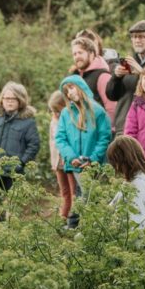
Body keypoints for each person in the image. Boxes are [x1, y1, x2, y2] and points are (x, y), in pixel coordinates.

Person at [55, 75, 112, 229]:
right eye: (66, 92)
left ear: (81, 87)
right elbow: (60, 138)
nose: (69, 93)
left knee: (89, 193)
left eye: (71, 88)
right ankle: (79, 225)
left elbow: (104, 138)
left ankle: (83, 225)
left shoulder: (98, 112)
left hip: (92, 162)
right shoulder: (66, 114)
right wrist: (70, 157)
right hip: (74, 163)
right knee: (84, 193)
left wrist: (92, 159)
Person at [0, 82, 40, 221]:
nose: (9, 102)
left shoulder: (28, 122)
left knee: (12, 203)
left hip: (14, 170)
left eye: (13, 99)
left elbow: (34, 145)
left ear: (21, 100)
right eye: (6, 98)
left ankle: (10, 231)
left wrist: (22, 162)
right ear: (2, 100)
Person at [107, 135, 145, 229]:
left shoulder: (138, 186)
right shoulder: (140, 180)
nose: (117, 169)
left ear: (125, 160)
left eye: (116, 163)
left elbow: (137, 226)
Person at [70, 36, 117, 126]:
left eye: (80, 53)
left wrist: (105, 132)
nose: (77, 57)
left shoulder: (102, 76)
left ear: (91, 54)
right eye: (74, 54)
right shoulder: (75, 77)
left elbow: (111, 108)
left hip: (100, 133)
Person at [48, 90, 75, 221]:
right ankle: (62, 218)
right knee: (64, 192)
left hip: (69, 161)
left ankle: (73, 217)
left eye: (58, 111)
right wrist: (53, 162)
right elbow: (52, 142)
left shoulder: (72, 120)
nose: (56, 114)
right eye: (53, 111)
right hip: (58, 162)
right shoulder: (53, 121)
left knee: (73, 191)